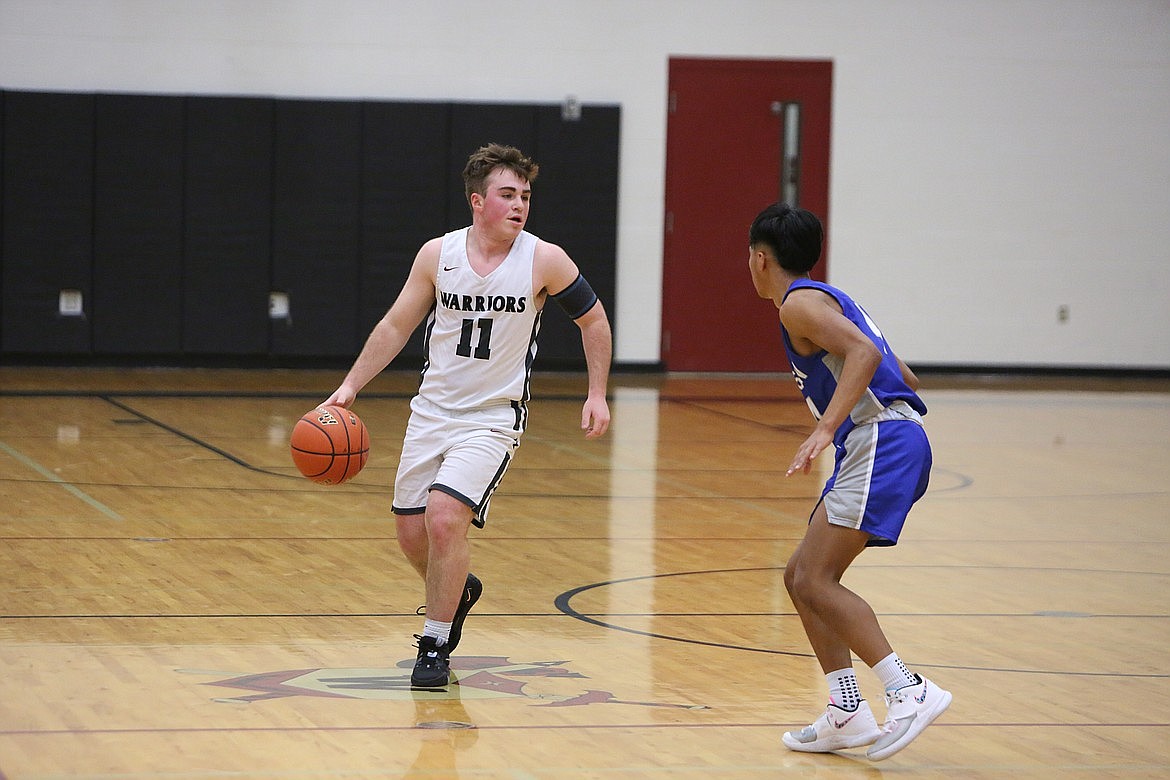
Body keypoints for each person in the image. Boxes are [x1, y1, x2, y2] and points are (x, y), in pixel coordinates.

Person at [324, 143, 612, 688]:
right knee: (412, 534)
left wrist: (596, 392)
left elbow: (594, 322)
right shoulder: (438, 254)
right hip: (430, 413)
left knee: (444, 517)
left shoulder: (546, 259)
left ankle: (434, 643)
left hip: (492, 417)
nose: (519, 205)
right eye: (507, 195)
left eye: (525, 196)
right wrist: (350, 386)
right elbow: (394, 327)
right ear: (477, 201)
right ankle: (458, 589)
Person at [746, 202, 951, 761]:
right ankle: (847, 713)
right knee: (799, 576)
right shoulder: (829, 299)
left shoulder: (798, 306)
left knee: (816, 578)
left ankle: (908, 689)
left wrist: (829, 427)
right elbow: (901, 373)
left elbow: (864, 353)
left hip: (878, 440)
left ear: (760, 259)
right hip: (884, 439)